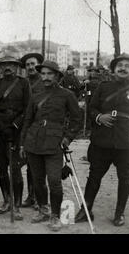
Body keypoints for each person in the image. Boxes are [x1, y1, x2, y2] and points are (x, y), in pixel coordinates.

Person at [75, 54, 129, 227]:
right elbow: (91, 108)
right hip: (102, 140)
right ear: (113, 70)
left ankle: (119, 214)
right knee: (94, 176)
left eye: (127, 66)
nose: (123, 68)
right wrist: (99, 117)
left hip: (126, 140)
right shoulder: (103, 87)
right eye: (120, 65)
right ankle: (85, 209)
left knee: (125, 177)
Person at [20, 60, 82, 231]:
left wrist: (67, 138)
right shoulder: (36, 95)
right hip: (33, 142)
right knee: (38, 181)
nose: (46, 77)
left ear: (57, 76)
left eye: (50, 74)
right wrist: (23, 143)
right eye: (43, 74)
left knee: (54, 181)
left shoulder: (67, 95)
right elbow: (27, 120)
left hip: (54, 143)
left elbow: (77, 119)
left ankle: (55, 215)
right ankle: (43, 209)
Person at [0, 54, 30, 220]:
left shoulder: (23, 83)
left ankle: (17, 205)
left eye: (11, 65)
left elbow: (28, 108)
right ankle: (6, 200)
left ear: (16, 67)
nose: (8, 67)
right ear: (0, 67)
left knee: (15, 169)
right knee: (1, 169)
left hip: (16, 130)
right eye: (4, 65)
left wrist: (16, 124)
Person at [20, 53, 45, 209]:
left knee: (39, 165)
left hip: (40, 127)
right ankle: (31, 196)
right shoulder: (23, 83)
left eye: (33, 64)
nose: (30, 67)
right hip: (25, 126)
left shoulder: (45, 82)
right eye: (27, 64)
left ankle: (39, 197)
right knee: (30, 164)